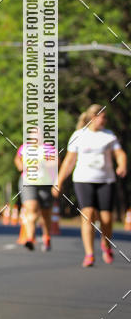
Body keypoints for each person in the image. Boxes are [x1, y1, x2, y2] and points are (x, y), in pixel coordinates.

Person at [53, 104, 126, 267]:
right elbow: (69, 161)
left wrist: (122, 165)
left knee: (106, 218)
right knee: (88, 214)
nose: (104, 120)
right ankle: (89, 254)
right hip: (83, 179)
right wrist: (58, 181)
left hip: (106, 180)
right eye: (102, 116)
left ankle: (106, 245)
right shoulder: (79, 135)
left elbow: (119, 154)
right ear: (93, 117)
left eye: (106, 117)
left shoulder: (109, 136)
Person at [14, 130, 57, 252]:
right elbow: (17, 159)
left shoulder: (48, 148)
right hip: (28, 181)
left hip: (44, 183)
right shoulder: (25, 148)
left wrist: (43, 163)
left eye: (38, 134)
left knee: (45, 213)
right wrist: (20, 165)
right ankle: (30, 238)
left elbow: (55, 162)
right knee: (31, 208)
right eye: (33, 134)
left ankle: (47, 236)